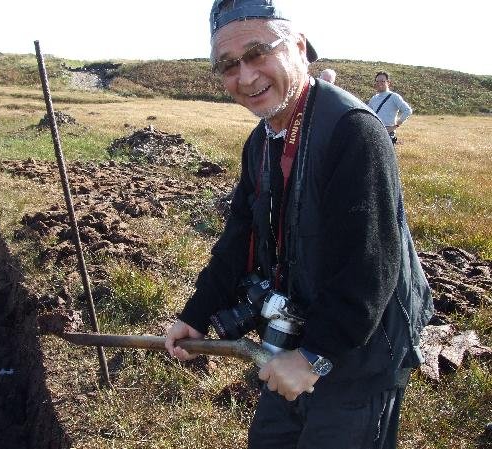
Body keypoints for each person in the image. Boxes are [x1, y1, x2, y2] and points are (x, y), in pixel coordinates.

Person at [165, 1, 433, 448]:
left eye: (257, 53)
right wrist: (195, 315)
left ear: (299, 47)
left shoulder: (353, 131)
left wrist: (315, 358)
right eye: (228, 65)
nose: (246, 77)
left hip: (358, 356)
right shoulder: (262, 140)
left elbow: (371, 268)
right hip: (295, 344)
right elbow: (239, 238)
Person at [367, 71, 413, 144]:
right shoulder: (374, 98)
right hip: (374, 132)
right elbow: (368, 114)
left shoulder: (394, 97)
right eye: (377, 81)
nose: (379, 83)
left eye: (382, 81)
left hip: (387, 135)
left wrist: (395, 126)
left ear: (388, 82)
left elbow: (407, 111)